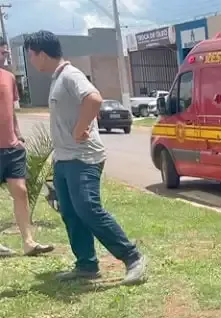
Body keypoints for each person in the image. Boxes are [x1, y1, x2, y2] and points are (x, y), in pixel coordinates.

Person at [24, 31, 146, 283]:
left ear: (42, 54)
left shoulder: (70, 75)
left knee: (88, 209)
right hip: (64, 159)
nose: (31, 62)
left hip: (83, 158)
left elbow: (94, 99)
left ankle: (133, 257)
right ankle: (86, 264)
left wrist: (80, 128)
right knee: (70, 211)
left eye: (31, 56)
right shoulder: (57, 78)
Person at [0, 36, 54, 258]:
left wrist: (18, 135)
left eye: (5, 52)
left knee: (21, 192)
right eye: (1, 52)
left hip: (11, 147)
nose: (4, 56)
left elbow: (11, 111)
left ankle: (28, 242)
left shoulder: (9, 78)